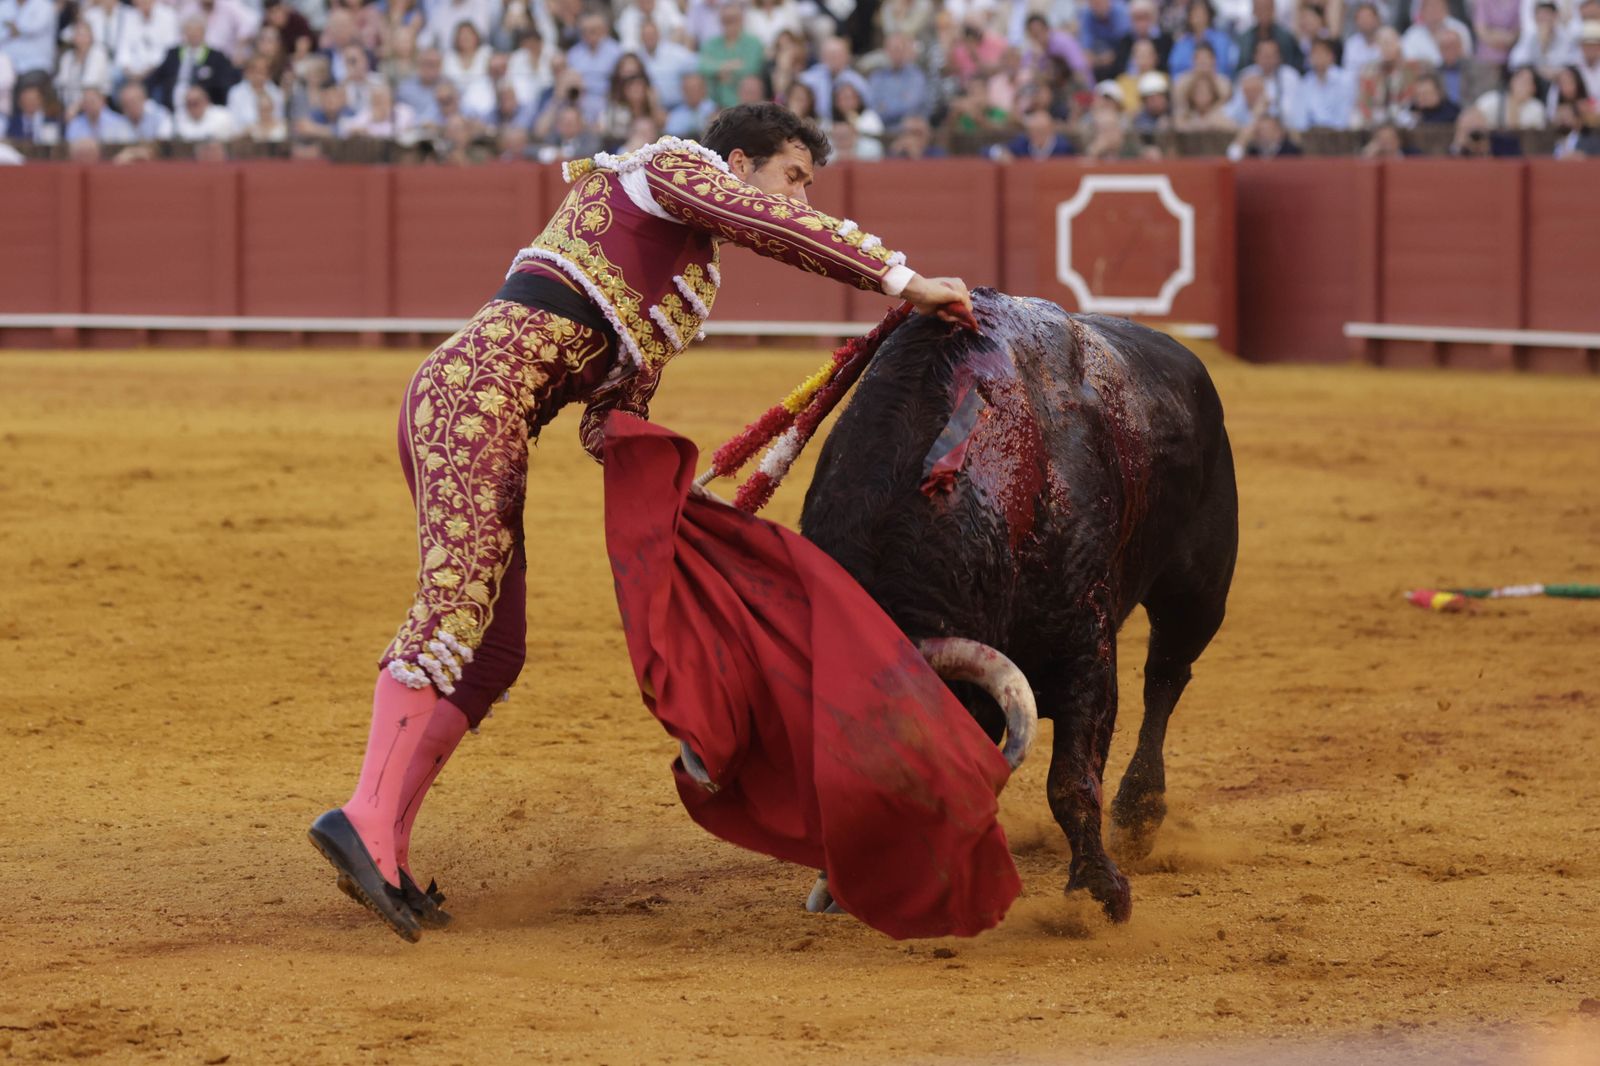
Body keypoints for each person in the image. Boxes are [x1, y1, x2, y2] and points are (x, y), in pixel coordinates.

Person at [307, 104, 974, 942]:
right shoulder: (669, 169)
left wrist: (662, 484)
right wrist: (901, 281)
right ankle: (363, 817)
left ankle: (389, 849)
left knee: (496, 649)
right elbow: (760, 219)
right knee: (455, 607)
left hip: (502, 417)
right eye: (795, 174)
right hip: (469, 395)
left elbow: (612, 409)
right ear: (740, 159)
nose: (801, 194)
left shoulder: (688, 282)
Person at [699, 1, 766, 109]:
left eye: (733, 19)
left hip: (746, 101)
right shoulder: (711, 44)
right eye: (725, 20)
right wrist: (727, 66)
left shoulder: (753, 42)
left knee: (750, 83)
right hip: (716, 100)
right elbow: (702, 66)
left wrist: (717, 70)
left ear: (741, 20)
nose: (729, 24)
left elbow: (751, 68)